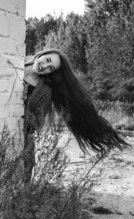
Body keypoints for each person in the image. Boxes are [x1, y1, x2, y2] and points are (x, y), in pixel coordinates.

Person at [22, 48, 128, 180]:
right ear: (42, 54)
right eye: (47, 60)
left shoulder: (44, 91)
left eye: (50, 68)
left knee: (21, 177)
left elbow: (35, 123)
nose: (45, 66)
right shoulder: (16, 60)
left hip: (20, 138)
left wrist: (22, 107)